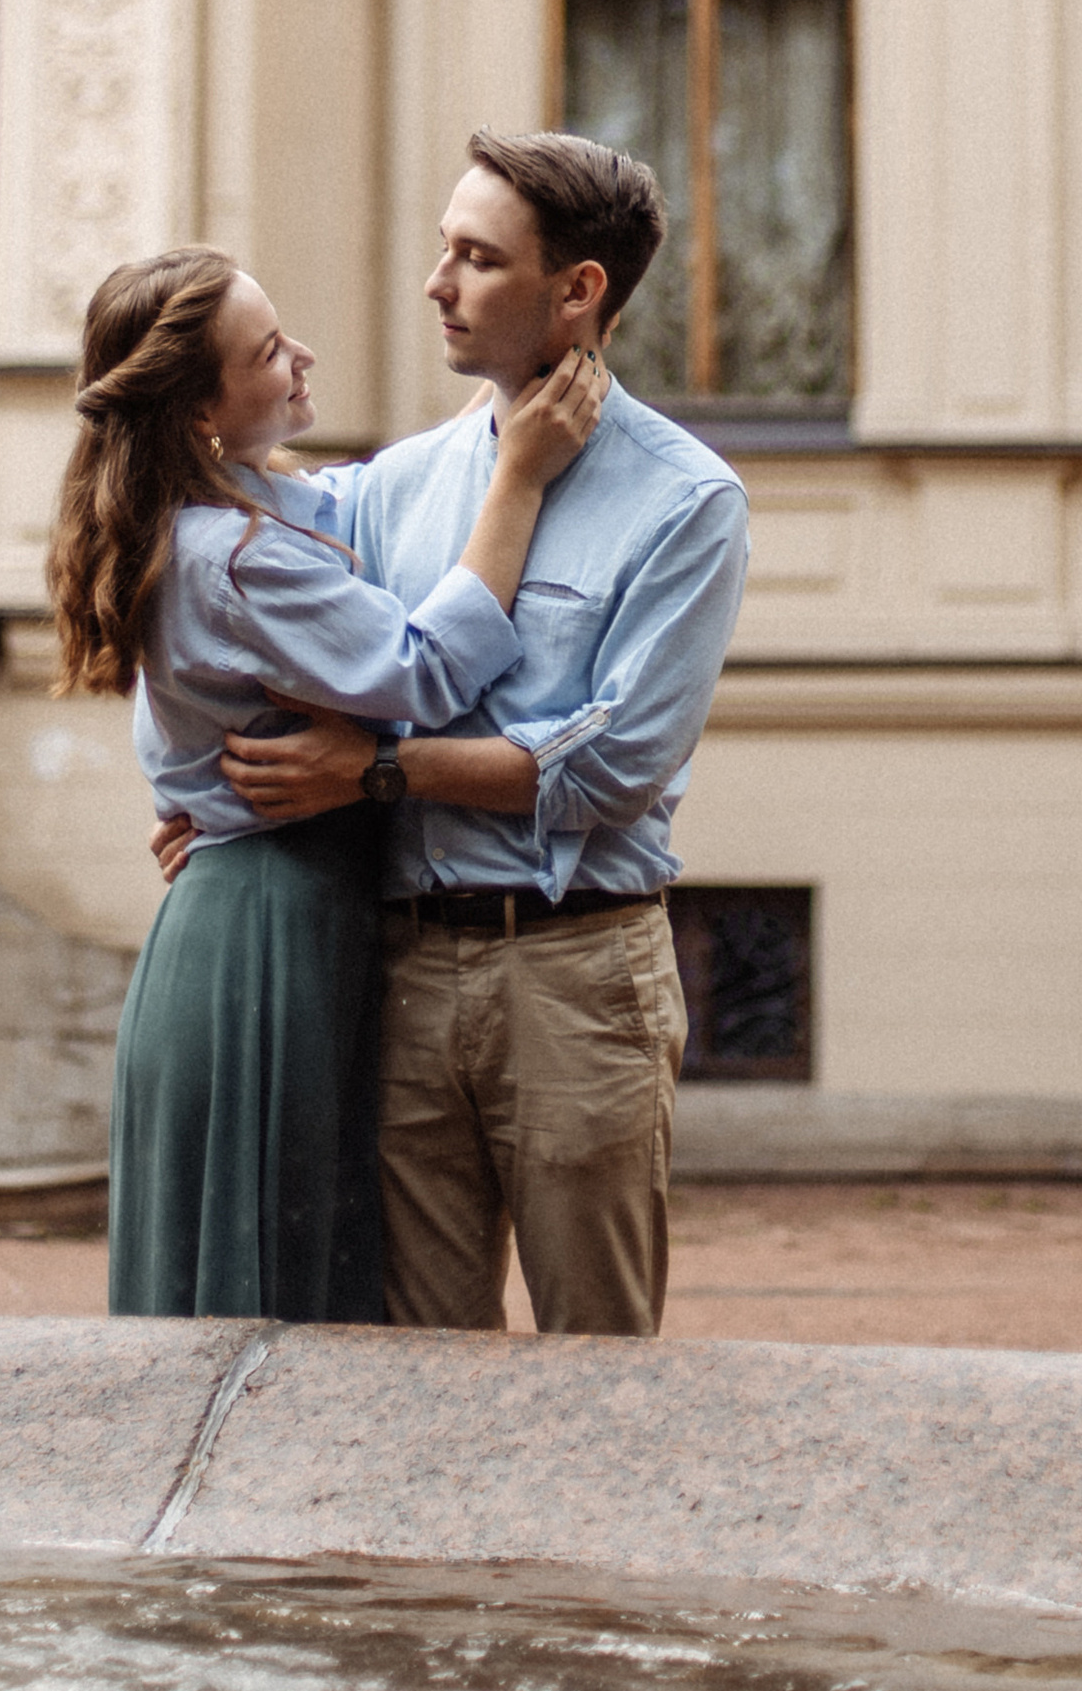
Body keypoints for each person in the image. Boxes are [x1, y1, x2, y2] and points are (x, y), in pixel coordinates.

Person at [185, 132, 751, 1341]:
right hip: (398, 971)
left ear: (577, 288)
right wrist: (203, 784)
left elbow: (610, 764)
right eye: (445, 247)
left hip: (579, 977)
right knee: (416, 1371)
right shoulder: (388, 486)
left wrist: (376, 768)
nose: (436, 281)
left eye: (476, 258)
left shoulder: (687, 500)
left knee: (594, 1366)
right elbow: (245, 594)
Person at [50, 243, 605, 1325]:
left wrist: (200, 805)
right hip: (268, 934)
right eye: (266, 350)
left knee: (270, 1274)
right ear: (202, 412)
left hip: (258, 913)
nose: (302, 355)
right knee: (272, 1297)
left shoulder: (241, 513)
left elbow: (176, 729)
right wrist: (521, 477)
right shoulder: (235, 553)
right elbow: (427, 670)